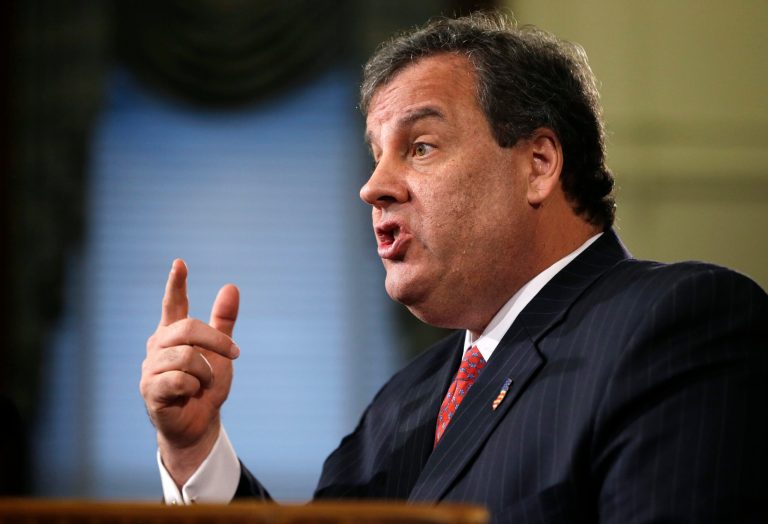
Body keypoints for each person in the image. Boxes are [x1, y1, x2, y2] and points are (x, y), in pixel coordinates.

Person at [140, 12, 767, 523]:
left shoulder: (679, 321)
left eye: (419, 147)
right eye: (376, 155)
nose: (373, 186)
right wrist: (194, 450)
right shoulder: (404, 401)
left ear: (539, 164)